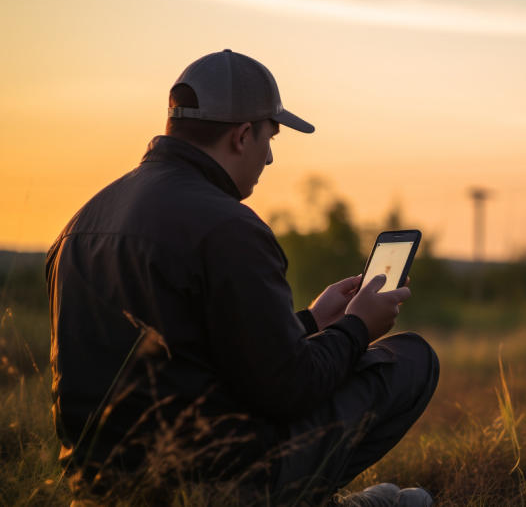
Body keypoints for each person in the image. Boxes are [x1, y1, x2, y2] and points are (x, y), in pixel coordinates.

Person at [46, 49, 439, 506]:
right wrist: (357, 328)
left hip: (97, 490)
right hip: (215, 485)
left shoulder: (79, 224)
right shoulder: (229, 227)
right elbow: (288, 391)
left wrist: (311, 322)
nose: (269, 158)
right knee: (411, 359)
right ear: (242, 135)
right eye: (270, 138)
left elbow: (197, 358)